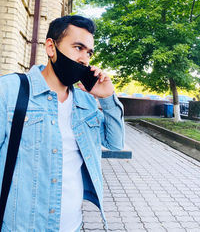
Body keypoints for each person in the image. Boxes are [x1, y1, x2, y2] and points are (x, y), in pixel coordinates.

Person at [0, 15, 124, 232]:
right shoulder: (10, 91)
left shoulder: (86, 102)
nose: (85, 59)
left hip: (72, 227)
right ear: (51, 47)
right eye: (78, 47)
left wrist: (107, 98)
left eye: (89, 52)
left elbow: (115, 143)